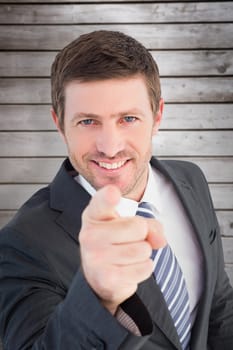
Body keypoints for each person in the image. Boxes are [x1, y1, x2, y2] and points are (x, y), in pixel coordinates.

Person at [0, 30, 233, 350]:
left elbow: (218, 306)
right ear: (59, 124)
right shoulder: (22, 242)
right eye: (87, 122)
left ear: (157, 116)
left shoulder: (190, 179)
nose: (110, 147)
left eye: (128, 118)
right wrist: (99, 297)